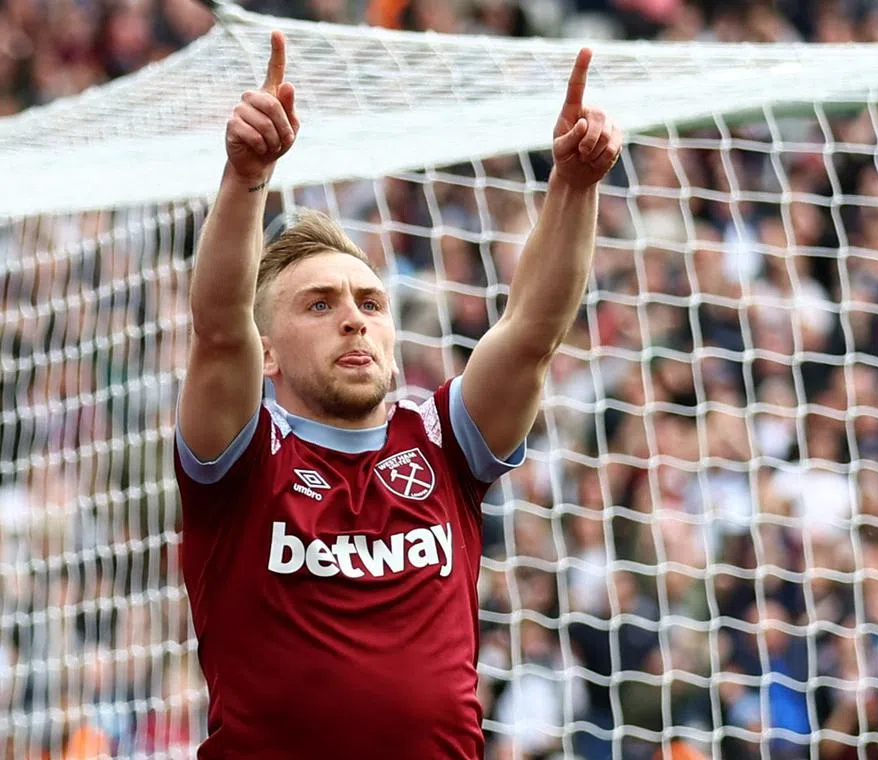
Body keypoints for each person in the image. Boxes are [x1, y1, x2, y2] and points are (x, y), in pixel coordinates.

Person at [172, 29, 622, 759]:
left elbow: (533, 331)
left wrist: (573, 184)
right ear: (269, 356)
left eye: (371, 303)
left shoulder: (443, 440)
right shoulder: (241, 461)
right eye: (318, 305)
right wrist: (247, 176)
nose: (354, 315)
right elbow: (219, 332)